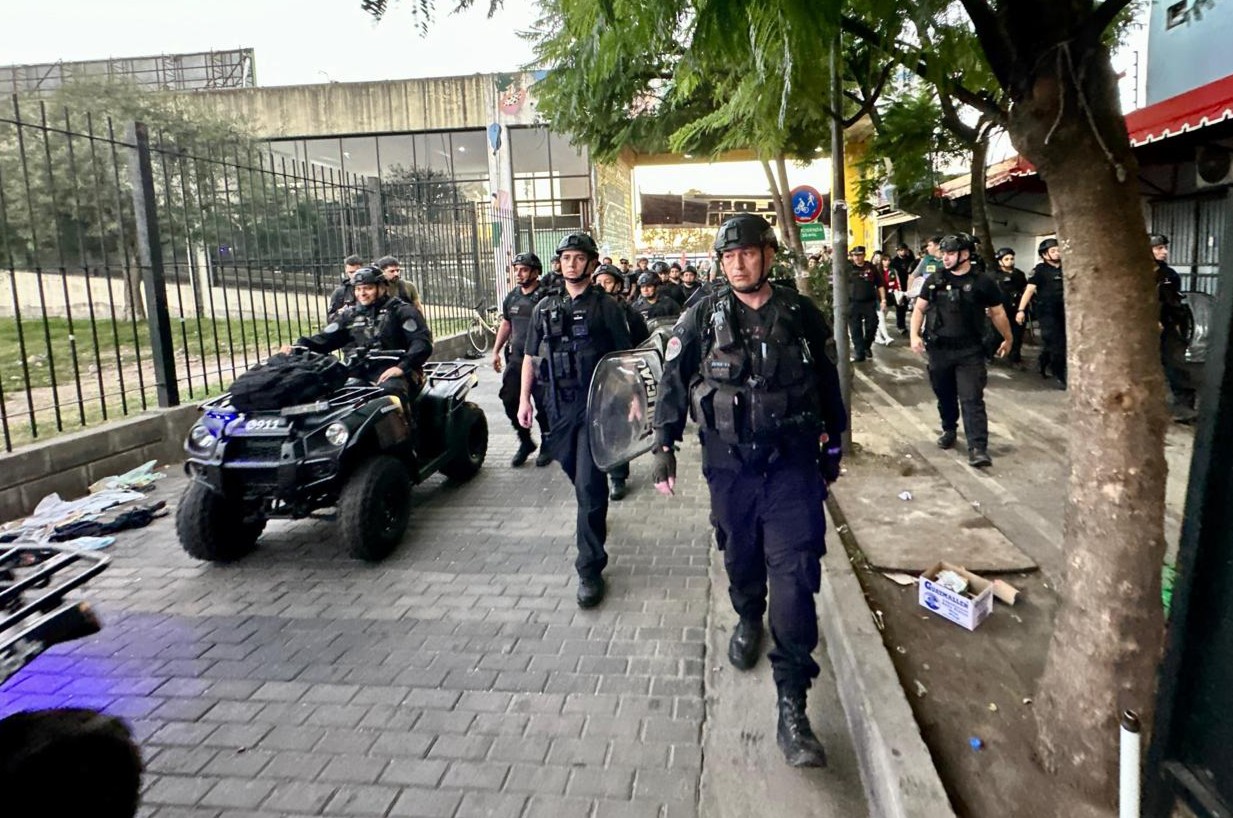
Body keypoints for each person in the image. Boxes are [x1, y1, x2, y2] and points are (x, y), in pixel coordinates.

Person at [651, 213, 847, 769]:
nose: (738, 264)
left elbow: (829, 380)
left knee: (795, 576)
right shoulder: (701, 315)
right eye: (729, 256)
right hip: (729, 468)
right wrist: (663, 442)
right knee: (740, 557)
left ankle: (793, 704)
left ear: (768, 255)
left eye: (748, 253)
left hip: (791, 468)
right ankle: (745, 614)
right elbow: (672, 379)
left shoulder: (800, 313)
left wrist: (836, 444)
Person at [519, 233, 633, 608]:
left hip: (595, 408)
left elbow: (624, 358)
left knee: (587, 485)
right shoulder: (543, 306)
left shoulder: (607, 307)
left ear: (591, 262)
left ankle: (589, 568)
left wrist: (633, 401)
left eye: (578, 257)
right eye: (565, 257)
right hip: (556, 407)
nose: (571, 263)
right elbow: (530, 357)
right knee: (573, 472)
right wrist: (524, 400)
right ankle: (595, 512)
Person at [910, 235, 1013, 468]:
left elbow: (997, 313)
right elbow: (919, 309)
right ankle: (949, 429)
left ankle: (978, 448)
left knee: (972, 398)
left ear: (965, 255)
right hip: (939, 350)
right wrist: (914, 335)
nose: (944, 258)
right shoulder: (935, 280)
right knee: (944, 395)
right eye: (943, 253)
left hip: (970, 351)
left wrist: (1008, 338)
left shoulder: (983, 282)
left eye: (950, 253)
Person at [288, 266, 433, 408]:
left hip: (399, 371)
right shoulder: (350, 315)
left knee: (389, 395)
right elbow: (325, 338)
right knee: (336, 396)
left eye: (368, 288)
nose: (362, 293)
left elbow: (421, 343)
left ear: (382, 288)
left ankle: (407, 429)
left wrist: (402, 367)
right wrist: (297, 347)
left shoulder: (402, 311)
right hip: (361, 370)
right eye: (358, 289)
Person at [594, 263, 650, 501]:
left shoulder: (631, 314)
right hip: (594, 377)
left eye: (607, 282)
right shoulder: (589, 310)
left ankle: (617, 476)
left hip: (620, 380)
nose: (602, 286)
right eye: (599, 281)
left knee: (617, 427)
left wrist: (636, 387)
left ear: (618, 285)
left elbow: (642, 347)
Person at [492, 252, 552, 467]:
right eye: (516, 269)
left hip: (542, 360)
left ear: (536, 272)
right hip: (516, 359)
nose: (518, 273)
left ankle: (548, 441)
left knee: (544, 404)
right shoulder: (512, 297)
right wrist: (495, 350)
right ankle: (525, 440)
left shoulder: (547, 297)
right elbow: (506, 324)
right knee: (509, 399)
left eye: (524, 269)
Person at [1151, 234, 1197, 423]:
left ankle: (1184, 406)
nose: (1164, 252)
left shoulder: (1169, 274)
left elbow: (1173, 301)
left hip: (1169, 325)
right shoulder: (1134, 274)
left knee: (1176, 363)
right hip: (1143, 327)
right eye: (1159, 248)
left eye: (1165, 248)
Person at [1016, 238, 1066, 387]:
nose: (1057, 254)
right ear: (1044, 254)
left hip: (1063, 310)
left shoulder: (1066, 268)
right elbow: (1029, 290)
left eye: (1058, 250)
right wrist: (1021, 310)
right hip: (1047, 311)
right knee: (1056, 343)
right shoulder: (1040, 270)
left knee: (1059, 343)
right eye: (1053, 251)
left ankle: (1044, 362)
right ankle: (1060, 374)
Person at [848, 246, 885, 361]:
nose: (857, 258)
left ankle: (866, 346)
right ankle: (860, 353)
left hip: (869, 302)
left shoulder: (871, 268)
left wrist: (883, 300)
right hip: (853, 303)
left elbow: (880, 284)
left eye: (859, 255)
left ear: (864, 255)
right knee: (855, 329)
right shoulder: (849, 268)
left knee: (872, 325)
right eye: (855, 255)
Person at [990, 248, 1027, 364]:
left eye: (1011, 258)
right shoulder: (993, 275)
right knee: (995, 335)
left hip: (1015, 307)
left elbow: (1025, 289)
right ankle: (989, 355)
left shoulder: (1019, 274)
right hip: (999, 308)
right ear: (1000, 261)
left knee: (1017, 334)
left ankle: (1014, 358)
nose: (1010, 261)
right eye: (1006, 259)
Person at [888, 244, 916, 332]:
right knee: (900, 306)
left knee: (909, 306)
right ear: (897, 251)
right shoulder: (894, 262)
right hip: (898, 286)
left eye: (904, 250)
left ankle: (912, 326)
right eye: (901, 250)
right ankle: (901, 326)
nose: (903, 252)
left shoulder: (911, 260)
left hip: (909, 286)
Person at [326, 254, 364, 321]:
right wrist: (338, 314)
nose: (354, 275)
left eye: (356, 272)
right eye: (351, 272)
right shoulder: (341, 292)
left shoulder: (372, 288)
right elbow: (330, 318)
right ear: (346, 271)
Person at [874, 254, 898, 346]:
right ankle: (886, 337)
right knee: (881, 317)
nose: (887, 262)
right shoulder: (877, 270)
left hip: (888, 296)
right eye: (885, 260)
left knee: (882, 317)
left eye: (888, 260)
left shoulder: (892, 271)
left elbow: (896, 282)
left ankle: (878, 336)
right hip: (877, 296)